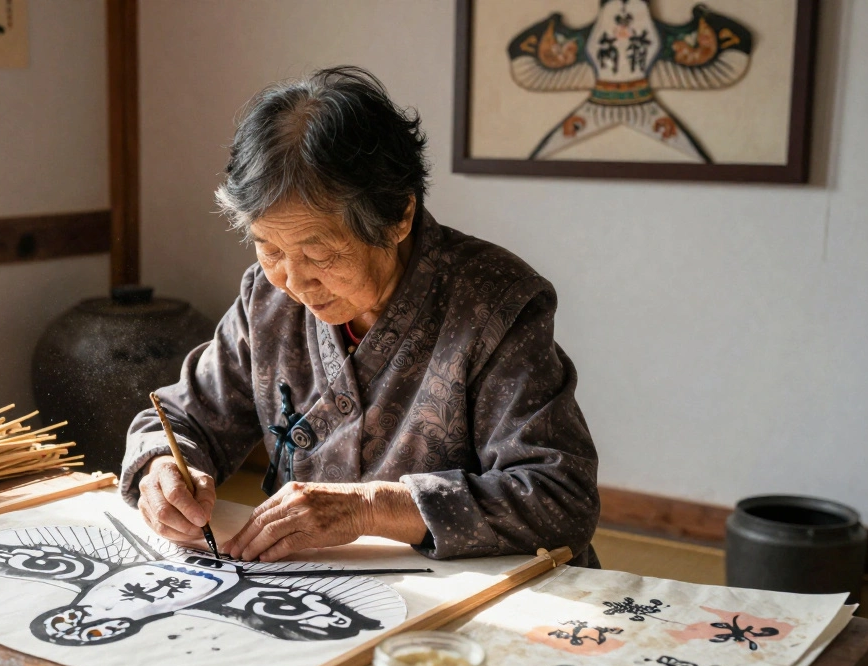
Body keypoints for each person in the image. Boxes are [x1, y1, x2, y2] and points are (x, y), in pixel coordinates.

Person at [120, 66, 600, 567]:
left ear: (399, 218)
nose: (294, 281)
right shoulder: (268, 297)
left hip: (475, 598)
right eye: (268, 247)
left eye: (320, 253)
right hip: (326, 595)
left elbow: (558, 499)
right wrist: (162, 470)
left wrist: (371, 507)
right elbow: (180, 418)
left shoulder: (494, 304)